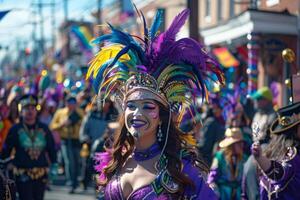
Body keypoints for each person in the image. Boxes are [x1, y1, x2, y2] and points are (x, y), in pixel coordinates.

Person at [88, 8, 224, 199]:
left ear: (161, 117)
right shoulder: (116, 160)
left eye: (148, 107)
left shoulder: (179, 169)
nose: (137, 113)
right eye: (131, 106)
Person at [1, 94, 57, 200]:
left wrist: (54, 164)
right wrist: (4, 164)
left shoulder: (44, 129)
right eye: (26, 108)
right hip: (22, 174)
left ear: (36, 111)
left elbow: (51, 148)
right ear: (21, 111)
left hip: (41, 174)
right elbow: (6, 149)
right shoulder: (15, 129)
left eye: (32, 108)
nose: (30, 111)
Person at [251, 102, 300, 199]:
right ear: (294, 130)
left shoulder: (274, 151)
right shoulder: (291, 153)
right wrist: (260, 158)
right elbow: (279, 173)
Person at [49, 94, 84, 193]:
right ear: (65, 103)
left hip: (77, 140)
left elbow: (85, 123)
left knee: (77, 162)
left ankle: (75, 181)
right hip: (65, 140)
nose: (71, 105)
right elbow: (52, 126)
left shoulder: (80, 112)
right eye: (69, 102)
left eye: (73, 102)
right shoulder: (60, 112)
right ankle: (70, 182)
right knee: (69, 162)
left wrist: (77, 121)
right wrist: (62, 124)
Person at [208, 127, 247, 200]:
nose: (241, 145)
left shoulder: (244, 158)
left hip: (238, 195)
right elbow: (212, 177)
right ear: (231, 145)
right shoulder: (219, 157)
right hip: (223, 194)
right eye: (238, 143)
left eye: (241, 142)